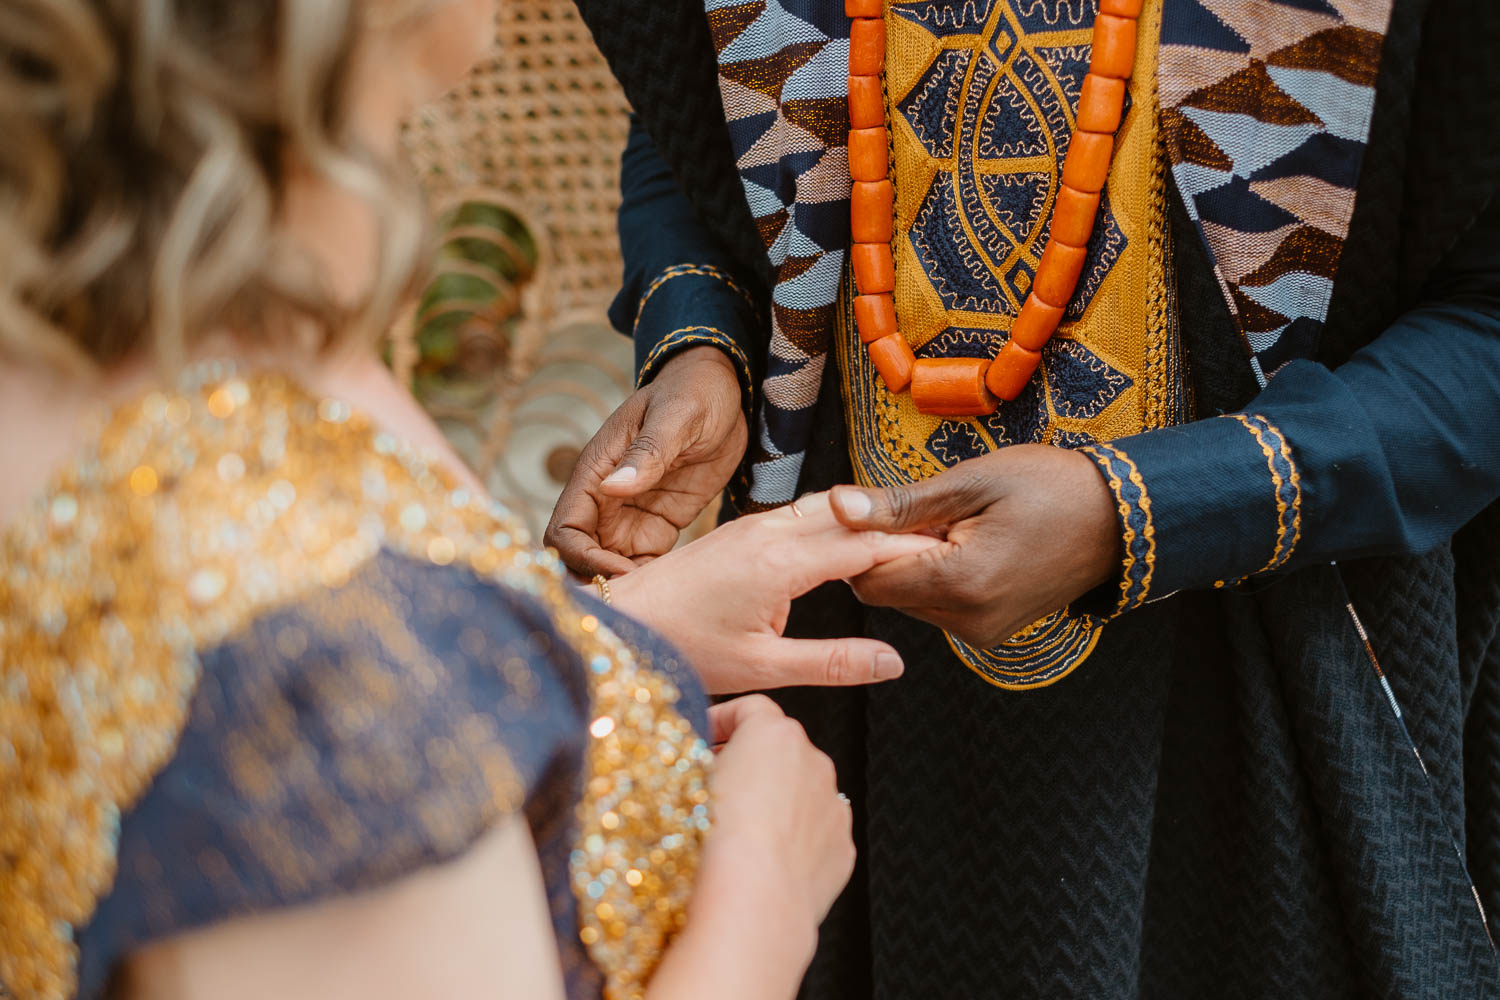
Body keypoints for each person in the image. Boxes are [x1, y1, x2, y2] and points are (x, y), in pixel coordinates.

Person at [0, 2, 943, 998]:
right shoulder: (322, 689)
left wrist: (605, 640)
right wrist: (761, 899)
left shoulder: (157, 321)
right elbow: (314, 677)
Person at [555, 0, 1500, 995]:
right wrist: (704, 341)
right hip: (835, 717)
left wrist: (1141, 508)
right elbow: (697, 117)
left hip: (1280, 710)